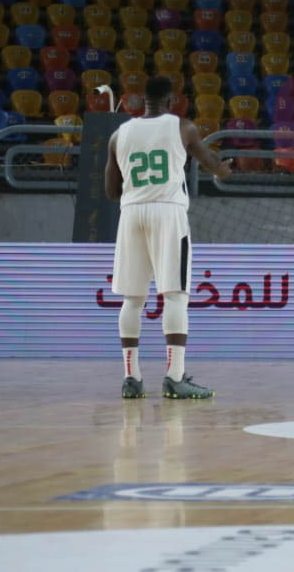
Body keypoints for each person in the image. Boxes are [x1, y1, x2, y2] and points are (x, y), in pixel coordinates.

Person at [104, 76, 232, 400]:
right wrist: (224, 170)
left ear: (141, 100)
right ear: (172, 101)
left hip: (131, 212)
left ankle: (131, 378)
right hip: (167, 211)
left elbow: (110, 191)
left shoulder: (119, 134)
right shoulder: (182, 127)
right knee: (175, 295)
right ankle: (174, 377)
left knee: (132, 299)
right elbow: (210, 162)